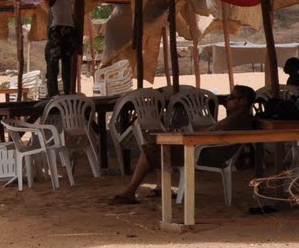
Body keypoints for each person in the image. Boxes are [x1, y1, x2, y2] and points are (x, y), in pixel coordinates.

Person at [110, 85, 257, 204]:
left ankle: (131, 190)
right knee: (155, 143)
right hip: (206, 151)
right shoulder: (238, 118)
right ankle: (158, 187)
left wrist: (184, 138)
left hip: (204, 155)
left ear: (242, 101)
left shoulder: (236, 119)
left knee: (152, 148)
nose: (226, 99)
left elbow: (211, 136)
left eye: (231, 97)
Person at [44, 0, 79, 96]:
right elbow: (50, 3)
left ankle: (69, 92)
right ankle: (53, 93)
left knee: (67, 64)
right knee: (53, 64)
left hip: (69, 29)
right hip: (57, 29)